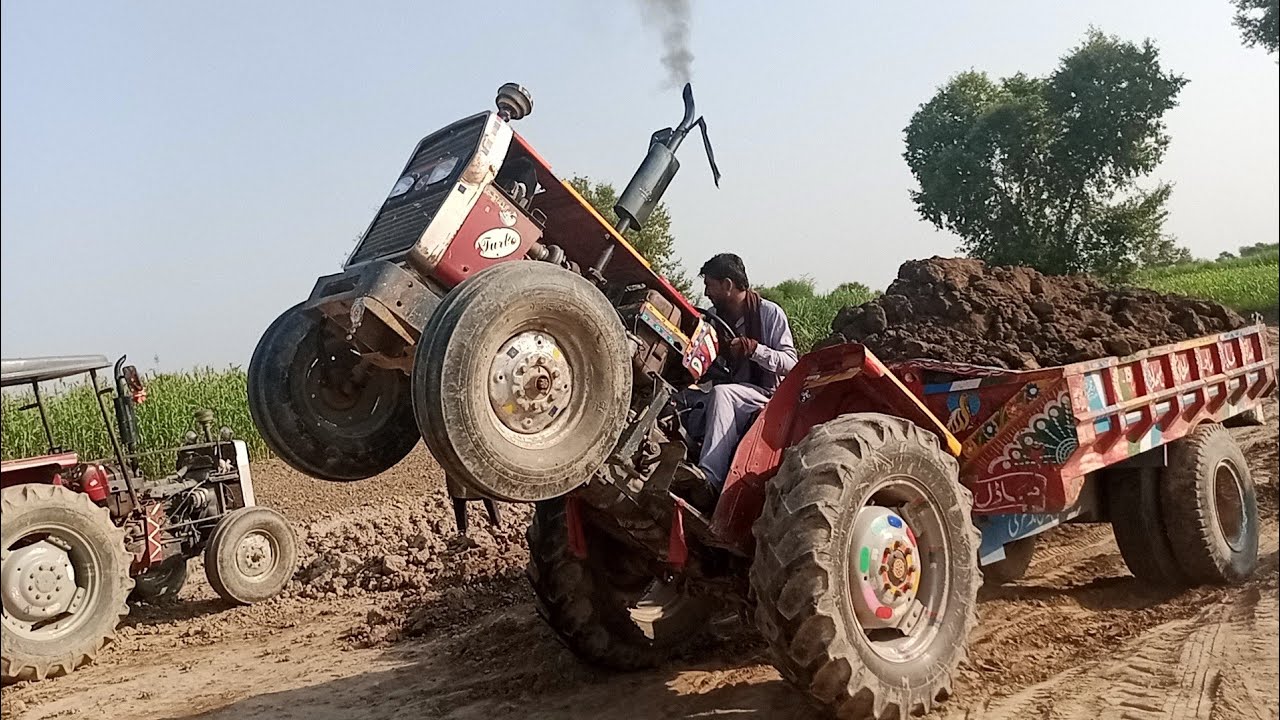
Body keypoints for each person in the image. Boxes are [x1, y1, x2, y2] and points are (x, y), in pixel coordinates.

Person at [674, 253, 797, 510]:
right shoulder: (714, 317)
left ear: (728, 285)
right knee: (679, 398)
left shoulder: (769, 314)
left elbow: (790, 364)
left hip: (766, 395)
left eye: (710, 285)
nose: (706, 292)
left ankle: (710, 479)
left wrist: (753, 350)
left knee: (723, 395)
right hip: (732, 385)